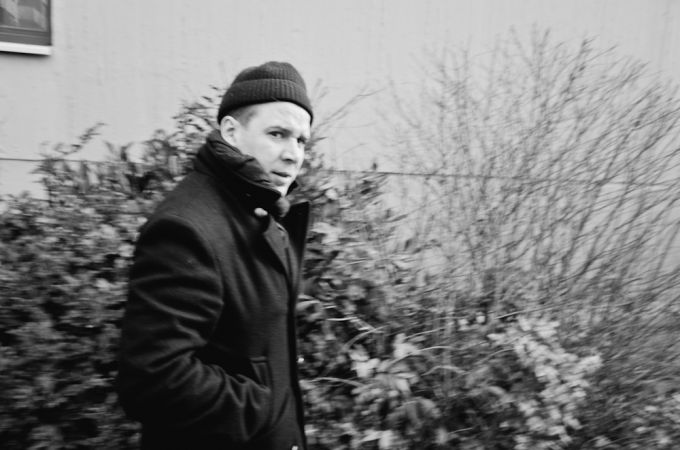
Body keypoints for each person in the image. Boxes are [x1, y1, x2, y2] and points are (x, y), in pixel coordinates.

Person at [116, 61, 313, 450]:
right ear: (231, 132)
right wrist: (265, 409)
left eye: (302, 141)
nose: (293, 155)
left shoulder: (255, 211)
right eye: (277, 134)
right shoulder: (187, 228)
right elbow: (153, 378)